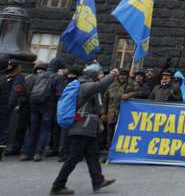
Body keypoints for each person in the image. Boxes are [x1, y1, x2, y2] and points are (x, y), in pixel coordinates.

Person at [50, 64, 115, 195]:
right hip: (81, 127)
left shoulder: (86, 85)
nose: (101, 76)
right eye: (100, 73)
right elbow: (99, 86)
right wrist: (112, 75)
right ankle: (57, 186)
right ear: (93, 74)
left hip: (88, 127)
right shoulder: (86, 86)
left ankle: (98, 180)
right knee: (73, 158)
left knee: (92, 155)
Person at [21, 59, 66, 161]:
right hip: (48, 106)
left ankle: (26, 153)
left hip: (34, 104)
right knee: (45, 129)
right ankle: (38, 153)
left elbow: (29, 90)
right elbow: (60, 94)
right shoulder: (58, 77)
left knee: (32, 128)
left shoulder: (38, 76)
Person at [102, 69, 134, 152]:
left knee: (123, 135)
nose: (122, 77)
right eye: (120, 75)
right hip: (111, 114)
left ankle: (121, 153)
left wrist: (130, 94)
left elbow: (142, 93)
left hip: (125, 115)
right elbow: (105, 100)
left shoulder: (132, 84)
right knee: (110, 135)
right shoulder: (111, 85)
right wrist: (103, 113)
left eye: (124, 75)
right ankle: (110, 153)